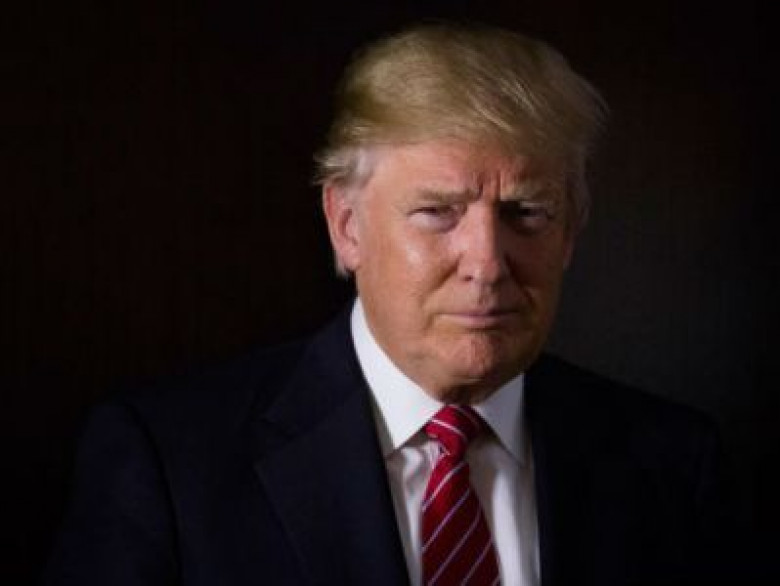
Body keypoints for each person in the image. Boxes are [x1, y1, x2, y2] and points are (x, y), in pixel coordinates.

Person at [45, 23, 742, 586]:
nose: (487, 263)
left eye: (527, 212)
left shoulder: (672, 466)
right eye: (438, 212)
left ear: (571, 234)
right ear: (347, 227)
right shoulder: (169, 465)